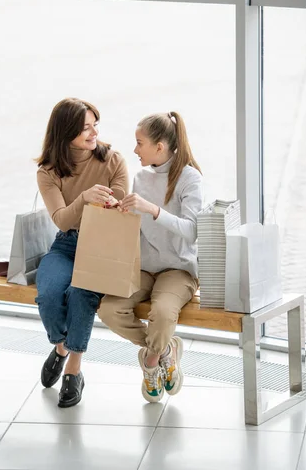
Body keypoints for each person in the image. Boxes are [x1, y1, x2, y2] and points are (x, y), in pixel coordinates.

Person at [98, 111, 202, 403]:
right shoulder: (142, 178)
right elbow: (138, 221)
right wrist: (121, 208)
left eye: (139, 142)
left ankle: (152, 361)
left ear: (160, 146)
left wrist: (153, 210)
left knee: (163, 313)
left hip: (178, 270)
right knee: (108, 310)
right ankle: (166, 351)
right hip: (143, 266)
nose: (134, 149)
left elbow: (192, 232)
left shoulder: (190, 179)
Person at [35, 97, 128, 408]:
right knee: (48, 293)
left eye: (95, 125)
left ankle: (73, 368)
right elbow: (61, 219)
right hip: (66, 243)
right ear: (65, 133)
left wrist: (114, 204)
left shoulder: (113, 159)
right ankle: (61, 348)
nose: (94, 133)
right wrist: (86, 198)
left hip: (102, 247)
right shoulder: (48, 171)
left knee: (80, 293)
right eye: (85, 128)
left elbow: (123, 211)